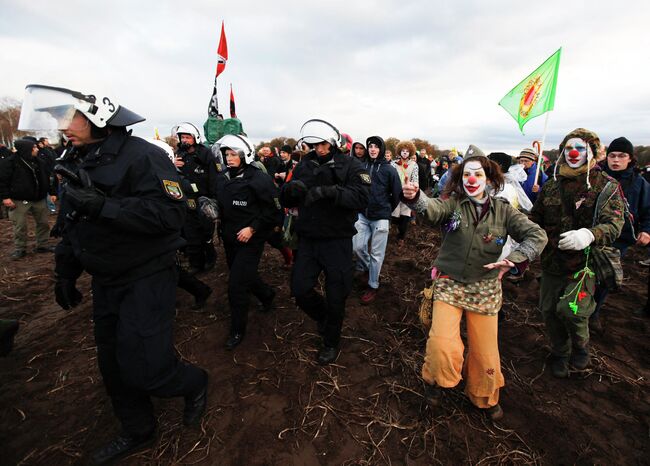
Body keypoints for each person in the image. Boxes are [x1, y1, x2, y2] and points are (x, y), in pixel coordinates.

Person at [18, 84, 209, 463]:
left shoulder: (145, 157)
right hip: (106, 278)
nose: (61, 128)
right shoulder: (76, 158)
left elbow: (170, 216)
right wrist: (65, 271)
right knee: (113, 364)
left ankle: (195, 382)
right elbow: (72, 222)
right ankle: (137, 429)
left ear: (97, 118)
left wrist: (107, 207)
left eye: (67, 118)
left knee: (148, 369)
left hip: (147, 274)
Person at [402, 150, 547, 420]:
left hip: (486, 288)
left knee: (485, 353)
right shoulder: (453, 203)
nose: (471, 179)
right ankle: (435, 382)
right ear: (460, 179)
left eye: (477, 174)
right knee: (441, 344)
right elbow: (433, 210)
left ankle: (483, 395)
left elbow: (537, 235)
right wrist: (416, 197)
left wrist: (514, 261)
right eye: (466, 174)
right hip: (450, 283)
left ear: (489, 179)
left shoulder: (504, 211)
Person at [530, 128, 624, 378]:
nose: (573, 153)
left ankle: (581, 347)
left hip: (585, 264)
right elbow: (535, 219)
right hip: (551, 261)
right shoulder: (551, 185)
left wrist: (590, 234)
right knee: (549, 311)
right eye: (568, 148)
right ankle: (561, 351)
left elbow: (615, 224)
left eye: (580, 148)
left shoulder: (606, 186)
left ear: (591, 152)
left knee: (571, 311)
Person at [280, 119, 370, 365]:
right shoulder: (304, 165)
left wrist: (330, 192)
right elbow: (287, 197)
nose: (318, 149)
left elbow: (362, 196)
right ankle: (324, 317)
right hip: (308, 237)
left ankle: (331, 341)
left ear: (332, 142)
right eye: (314, 145)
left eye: (322, 144)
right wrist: (291, 191)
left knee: (336, 294)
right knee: (299, 289)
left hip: (337, 239)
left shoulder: (351, 164)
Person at [214, 134, 280, 349]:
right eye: (226, 154)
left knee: (236, 286)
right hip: (229, 237)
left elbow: (273, 211)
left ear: (245, 154)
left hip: (250, 239)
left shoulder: (258, 179)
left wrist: (252, 228)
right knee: (244, 275)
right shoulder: (223, 177)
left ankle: (237, 330)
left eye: (233, 154)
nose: (229, 158)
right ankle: (267, 295)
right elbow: (222, 204)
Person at [590, 137, 650, 330]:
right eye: (612, 156)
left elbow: (648, 211)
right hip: (590, 234)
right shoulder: (594, 177)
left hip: (619, 240)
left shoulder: (640, 184)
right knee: (581, 274)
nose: (616, 160)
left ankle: (593, 313)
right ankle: (576, 309)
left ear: (630, 158)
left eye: (621, 156)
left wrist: (646, 230)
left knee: (605, 277)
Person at [352, 136, 401, 304]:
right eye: (370, 146)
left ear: (381, 149)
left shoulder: (390, 170)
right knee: (357, 246)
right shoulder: (362, 166)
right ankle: (367, 267)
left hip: (381, 216)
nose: (372, 149)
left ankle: (373, 285)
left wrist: (385, 209)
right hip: (362, 215)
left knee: (377, 255)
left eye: (376, 146)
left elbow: (396, 194)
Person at [172, 122, 219, 275]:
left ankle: (210, 258)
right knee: (191, 234)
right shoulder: (178, 154)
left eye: (187, 137)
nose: (184, 140)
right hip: (186, 200)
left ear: (195, 138)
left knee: (206, 234)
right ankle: (195, 263)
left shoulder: (206, 154)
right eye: (182, 137)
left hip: (204, 199)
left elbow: (214, 178)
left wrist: (214, 200)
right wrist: (172, 165)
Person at [0, 137, 57, 259]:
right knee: (20, 225)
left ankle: (42, 245)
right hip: (18, 200)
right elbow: (2, 181)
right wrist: (5, 197)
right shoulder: (10, 163)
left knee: (43, 223)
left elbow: (47, 178)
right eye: (34, 147)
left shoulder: (39, 161)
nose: (37, 149)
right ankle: (20, 248)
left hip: (39, 198)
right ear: (26, 150)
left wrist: (52, 192)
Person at [391, 140, 419, 246]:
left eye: (407, 151)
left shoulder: (414, 165)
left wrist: (413, 189)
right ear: (399, 152)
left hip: (407, 193)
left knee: (405, 215)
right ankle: (394, 229)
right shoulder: (393, 164)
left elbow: (415, 179)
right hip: (395, 192)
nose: (405, 153)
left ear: (410, 152)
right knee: (395, 215)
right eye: (403, 151)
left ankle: (401, 237)